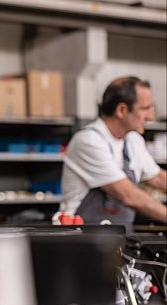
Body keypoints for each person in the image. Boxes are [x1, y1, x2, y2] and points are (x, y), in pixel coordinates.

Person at [60, 76, 167, 232]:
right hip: (82, 239)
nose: (150, 116)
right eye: (145, 109)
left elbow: (157, 177)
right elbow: (128, 195)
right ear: (122, 110)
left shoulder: (132, 140)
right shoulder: (88, 141)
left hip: (118, 238)